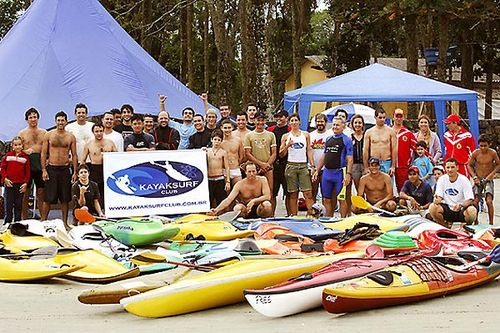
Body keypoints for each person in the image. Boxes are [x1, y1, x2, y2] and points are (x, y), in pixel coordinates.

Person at [41, 111, 78, 229]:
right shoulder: (49, 135)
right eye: (58, 120)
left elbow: (74, 155)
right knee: (48, 198)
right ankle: (43, 221)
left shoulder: (70, 136)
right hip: (51, 168)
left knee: (65, 198)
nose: (60, 122)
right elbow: (43, 153)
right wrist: (44, 170)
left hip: (65, 169)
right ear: (55, 121)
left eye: (63, 120)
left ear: (66, 122)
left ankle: (65, 223)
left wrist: (75, 172)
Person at [312, 117, 353, 217]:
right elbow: (324, 156)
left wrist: (348, 174)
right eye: (334, 125)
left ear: (343, 126)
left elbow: (350, 159)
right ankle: (328, 220)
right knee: (326, 198)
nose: (335, 127)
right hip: (327, 173)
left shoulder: (346, 140)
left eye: (337, 125)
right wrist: (317, 170)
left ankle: (343, 221)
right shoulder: (329, 139)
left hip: (339, 173)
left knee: (341, 198)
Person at [279, 114, 315, 216]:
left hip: (303, 165)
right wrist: (287, 145)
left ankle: (311, 215)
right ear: (289, 123)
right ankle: (294, 216)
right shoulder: (286, 136)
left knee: (308, 193)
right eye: (292, 121)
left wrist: (312, 166)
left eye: (296, 120)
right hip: (291, 165)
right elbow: (281, 154)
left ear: (299, 122)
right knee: (293, 194)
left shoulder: (306, 135)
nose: (294, 122)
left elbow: (309, 150)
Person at [208, 163, 272, 218]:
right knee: (237, 208)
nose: (252, 174)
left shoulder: (262, 180)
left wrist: (253, 201)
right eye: (249, 172)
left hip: (259, 208)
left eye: (253, 171)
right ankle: (242, 224)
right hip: (245, 209)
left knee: (267, 205)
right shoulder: (240, 184)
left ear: (256, 171)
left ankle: (265, 222)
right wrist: (216, 210)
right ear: (245, 172)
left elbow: (267, 196)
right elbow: (229, 199)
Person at [429, 158, 477, 227]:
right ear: (445, 168)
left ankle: (465, 227)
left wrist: (461, 205)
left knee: (472, 211)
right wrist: (437, 200)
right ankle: (445, 226)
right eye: (448, 167)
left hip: (461, 209)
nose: (450, 170)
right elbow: (439, 196)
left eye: (452, 167)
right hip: (447, 209)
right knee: (432, 207)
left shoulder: (464, 180)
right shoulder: (442, 179)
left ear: (457, 168)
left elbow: (470, 199)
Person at [18, 107, 47, 220]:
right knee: (25, 194)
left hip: (40, 164)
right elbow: (16, 150)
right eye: (30, 117)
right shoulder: (22, 133)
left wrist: (47, 160)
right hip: (27, 166)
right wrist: (24, 152)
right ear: (27, 120)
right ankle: (24, 219)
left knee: (41, 194)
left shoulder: (44, 132)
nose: (33, 119)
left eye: (35, 117)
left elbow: (48, 148)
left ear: (38, 118)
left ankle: (43, 219)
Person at [243, 112, 277, 209]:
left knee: (270, 192)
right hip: (254, 168)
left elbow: (274, 153)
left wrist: (266, 165)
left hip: (268, 167)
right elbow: (247, 153)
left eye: (262, 120)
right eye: (258, 120)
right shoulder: (249, 135)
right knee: (255, 192)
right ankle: (254, 213)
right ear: (254, 121)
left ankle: (270, 215)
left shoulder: (271, 135)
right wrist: (260, 164)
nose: (260, 122)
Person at [81, 123, 117, 204]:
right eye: (96, 131)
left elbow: (116, 158)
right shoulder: (89, 144)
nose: (99, 133)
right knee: (96, 192)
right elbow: (83, 161)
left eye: (101, 131)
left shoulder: (110, 143)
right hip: (94, 169)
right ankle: (96, 210)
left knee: (108, 191)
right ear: (93, 132)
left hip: (108, 169)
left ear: (103, 131)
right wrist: (82, 173)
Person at [467, 134, 500, 225]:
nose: (483, 148)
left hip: (488, 179)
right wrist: (474, 177)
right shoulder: (476, 153)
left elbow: (498, 164)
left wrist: (492, 174)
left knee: (489, 201)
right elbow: (469, 165)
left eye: (485, 145)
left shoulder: (492, 153)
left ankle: (491, 223)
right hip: (478, 178)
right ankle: (476, 221)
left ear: (489, 144)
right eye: (481, 145)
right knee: (475, 201)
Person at [1, 137, 30, 224]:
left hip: (20, 185)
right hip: (9, 184)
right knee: (8, 204)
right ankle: (7, 223)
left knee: (18, 205)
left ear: (22, 146)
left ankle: (17, 223)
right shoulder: (8, 156)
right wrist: (5, 179)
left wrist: (25, 183)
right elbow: (3, 168)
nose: (17, 147)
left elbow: (27, 172)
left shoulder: (25, 158)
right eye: (15, 145)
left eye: (19, 144)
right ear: (12, 146)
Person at [363, 108, 397, 176]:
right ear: (375, 117)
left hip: (387, 162)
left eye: (384, 117)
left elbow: (394, 149)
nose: (382, 120)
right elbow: (365, 150)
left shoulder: (391, 131)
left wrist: (393, 166)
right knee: (374, 185)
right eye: (380, 117)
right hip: (373, 163)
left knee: (388, 184)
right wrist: (366, 167)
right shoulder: (369, 132)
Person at [268, 110, 290, 214]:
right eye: (277, 117)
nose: (279, 119)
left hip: (287, 164)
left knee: (289, 193)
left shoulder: (290, 130)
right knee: (272, 193)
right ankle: (271, 215)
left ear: (286, 118)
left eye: (281, 117)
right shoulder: (271, 130)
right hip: (274, 165)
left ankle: (290, 215)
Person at [392, 108, 417, 191]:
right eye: (397, 116)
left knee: (403, 189)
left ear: (403, 117)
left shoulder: (408, 133)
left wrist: (430, 157)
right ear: (393, 117)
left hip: (403, 166)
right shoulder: (388, 131)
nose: (398, 119)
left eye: (400, 116)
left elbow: (417, 147)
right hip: (389, 164)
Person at [206, 130, 231, 208]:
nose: (217, 142)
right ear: (211, 140)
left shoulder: (223, 152)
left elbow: (227, 167)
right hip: (209, 179)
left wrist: (228, 181)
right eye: (215, 139)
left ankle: (222, 216)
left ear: (221, 141)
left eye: (219, 140)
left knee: (221, 200)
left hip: (219, 179)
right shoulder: (207, 151)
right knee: (209, 200)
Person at [309, 113, 331, 200]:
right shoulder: (310, 135)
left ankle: (325, 213)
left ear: (325, 122)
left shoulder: (330, 135)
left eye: (322, 121)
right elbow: (309, 151)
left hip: (326, 169)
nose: (320, 123)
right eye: (318, 121)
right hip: (312, 168)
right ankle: (312, 212)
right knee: (312, 193)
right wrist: (312, 166)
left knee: (325, 194)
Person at [220, 119, 244, 184]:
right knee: (226, 193)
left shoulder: (238, 140)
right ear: (221, 128)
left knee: (239, 192)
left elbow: (241, 155)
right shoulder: (219, 142)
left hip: (235, 168)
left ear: (232, 128)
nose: (227, 130)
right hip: (224, 170)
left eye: (229, 128)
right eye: (225, 128)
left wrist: (237, 164)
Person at [350, 114, 365, 192]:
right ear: (352, 124)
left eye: (359, 123)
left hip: (365, 165)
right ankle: (361, 203)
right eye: (355, 123)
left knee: (367, 188)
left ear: (362, 124)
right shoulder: (350, 137)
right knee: (358, 188)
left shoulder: (366, 136)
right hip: (355, 165)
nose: (357, 125)